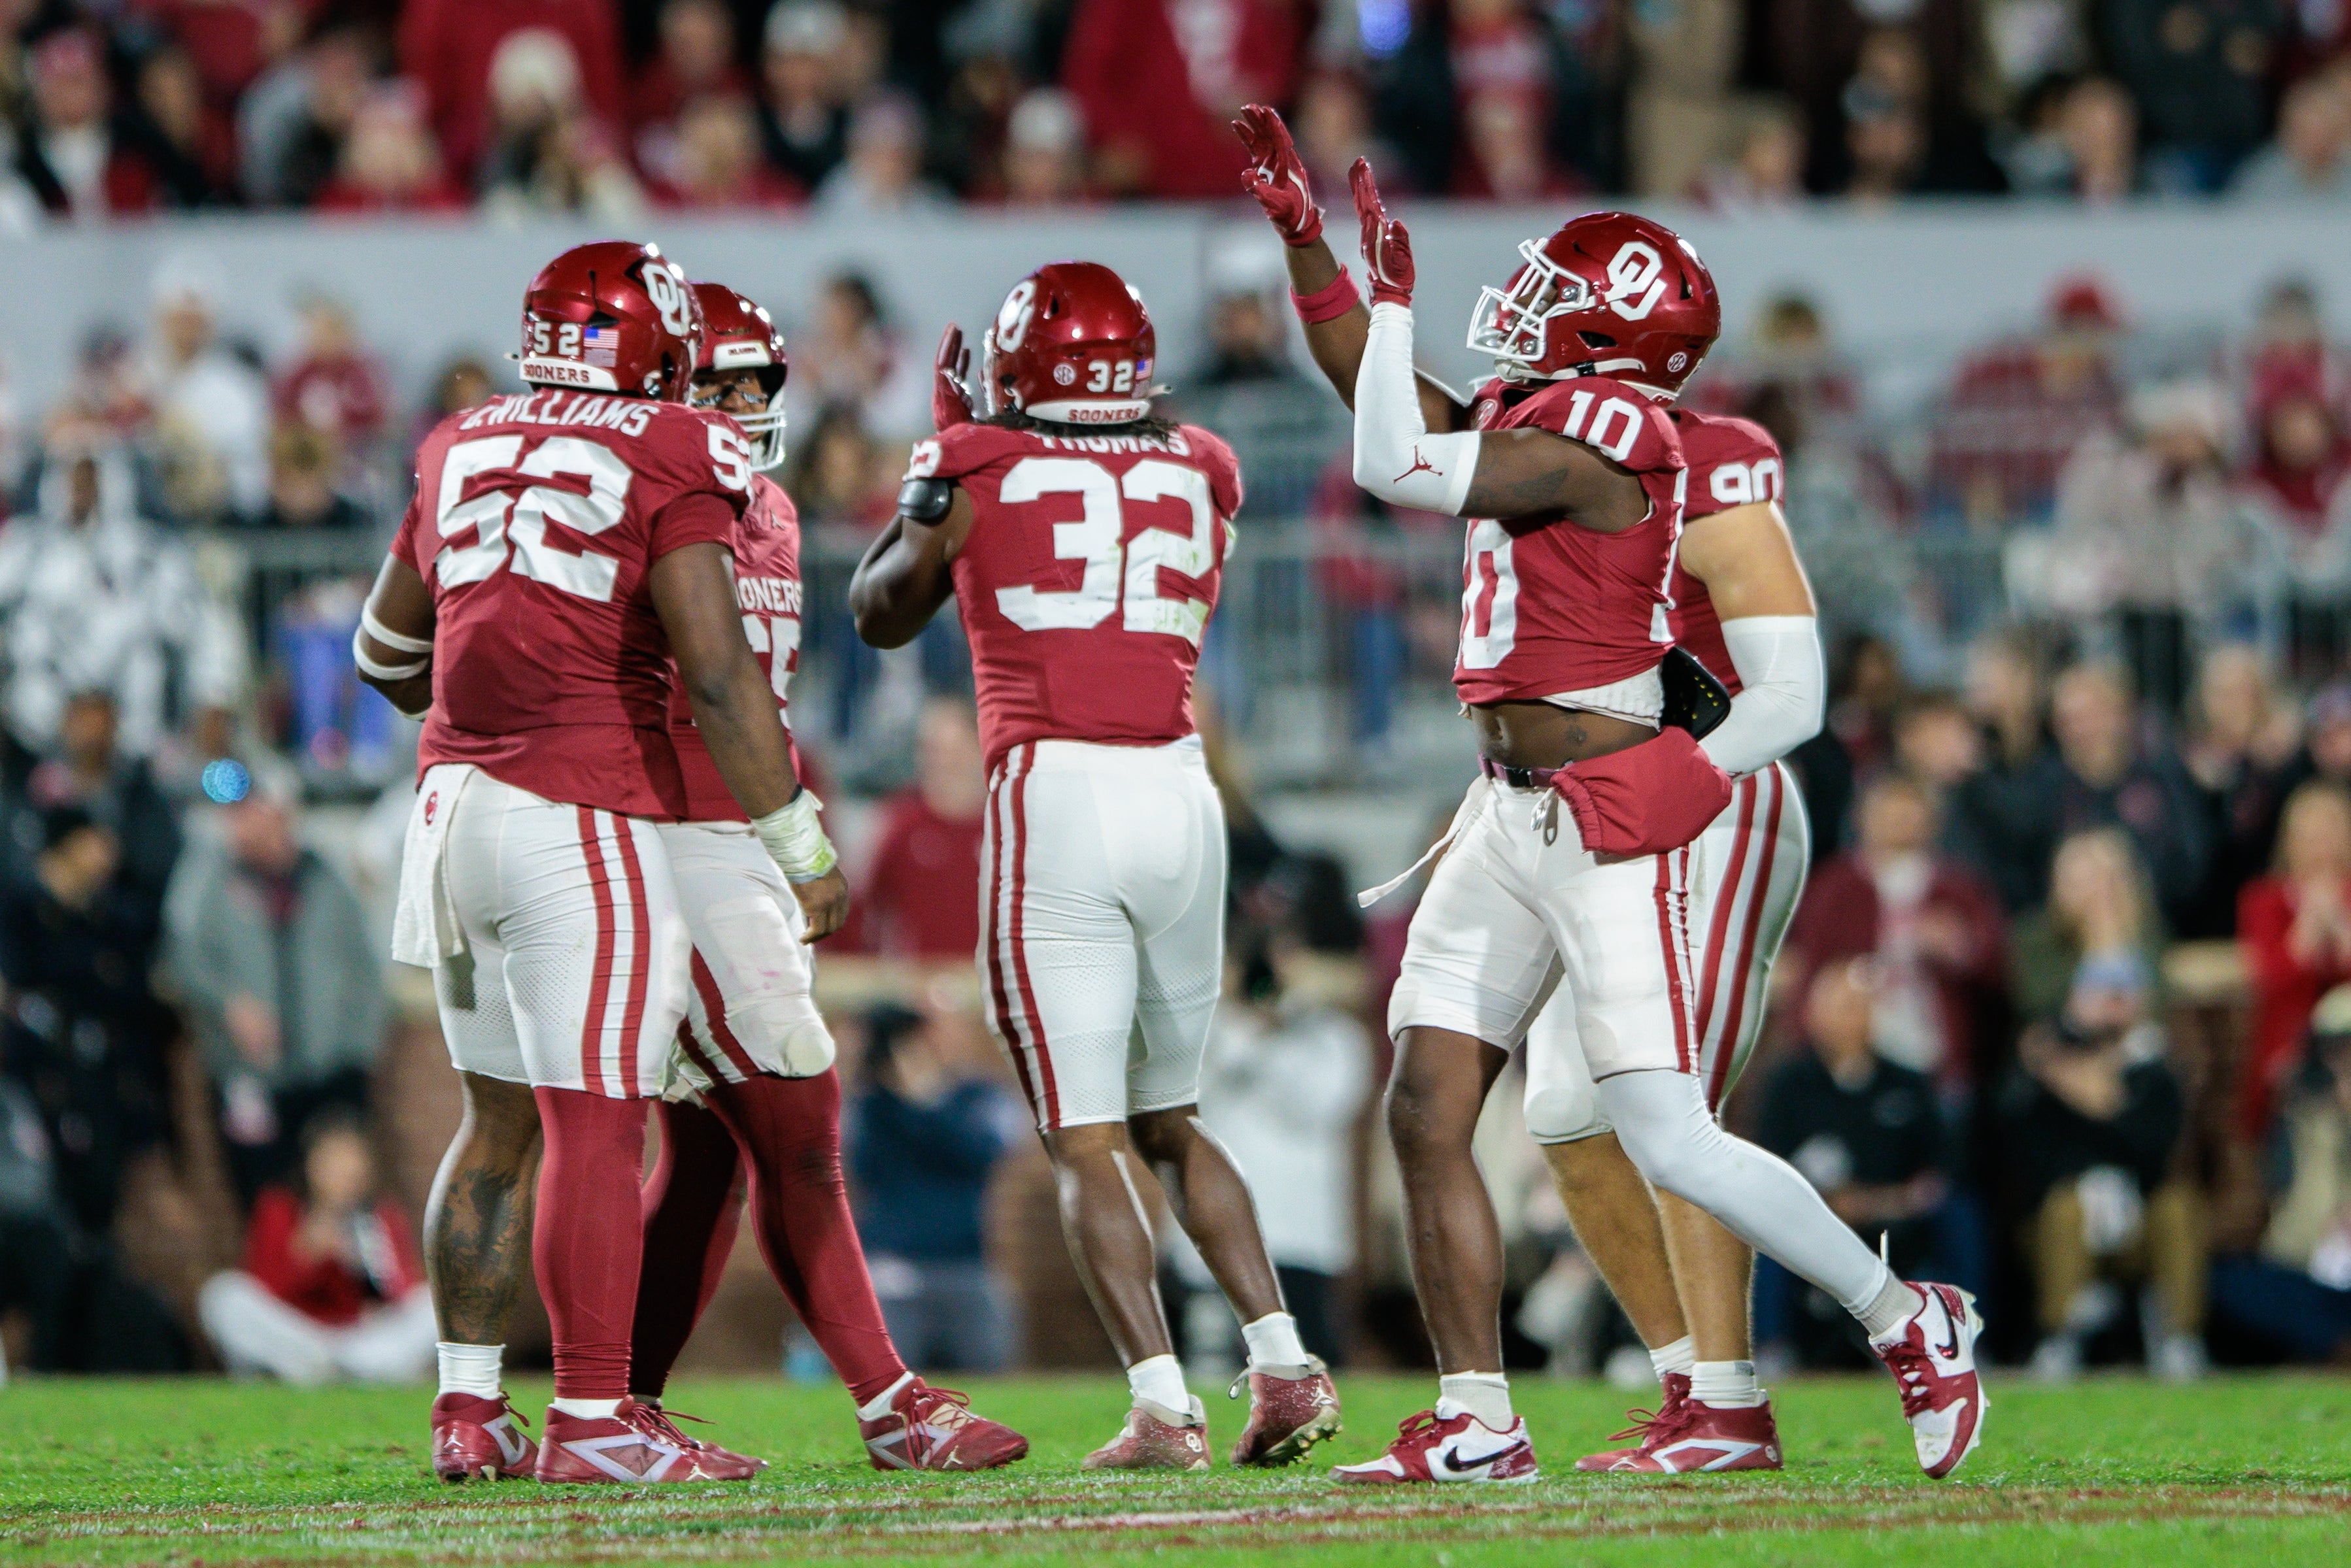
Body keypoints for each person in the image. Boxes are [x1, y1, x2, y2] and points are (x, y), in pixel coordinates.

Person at [1233, 103, 1984, 1484]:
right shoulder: (1546, 413)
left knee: (1665, 1129)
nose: (1524, 302)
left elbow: (1392, 462)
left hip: (1597, 806)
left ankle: (1905, 1311)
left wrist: (1394, 307)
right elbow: (1387, 410)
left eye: (1560, 293)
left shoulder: (1614, 428)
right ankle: (1479, 1411)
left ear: (1612, 336)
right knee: (1426, 1094)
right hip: (1506, 801)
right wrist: (1312, 258)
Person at [354, 241, 846, 1485]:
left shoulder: (457, 435)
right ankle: (590, 1415)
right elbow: (722, 674)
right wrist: (796, 839)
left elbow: (380, 650)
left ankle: (470, 1408)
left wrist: (493, 689)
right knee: (598, 1119)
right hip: (577, 810)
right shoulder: (667, 446)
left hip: (452, 805)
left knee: (497, 1119)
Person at [849, 261, 1343, 1472]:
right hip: (1181, 789)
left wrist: (938, 465)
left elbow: (879, 610)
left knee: (1086, 1132)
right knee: (1172, 1115)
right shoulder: (1205, 460)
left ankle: (1165, 1401)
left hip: (1058, 787)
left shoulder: (976, 464)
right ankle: (1282, 1359)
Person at [626, 282, 1024, 1472]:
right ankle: (887, 1396)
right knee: (793, 1109)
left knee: (704, 1152)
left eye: (758, 387)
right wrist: (793, 837)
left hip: (732, 838)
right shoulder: (642, 498)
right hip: (666, 837)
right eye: (717, 386)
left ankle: (613, 1405)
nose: (744, 409)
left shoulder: (777, 512)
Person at [1518, 286, 1825, 1472]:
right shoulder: (1527, 449)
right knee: (1561, 1109)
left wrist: (1679, 773)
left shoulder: (1717, 461)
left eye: (1555, 307)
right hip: (1589, 801)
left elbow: (1777, 685)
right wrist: (1344, 298)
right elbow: (1402, 448)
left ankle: (1740, 1394)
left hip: (1707, 789)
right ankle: (1688, 1384)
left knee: (1669, 1109)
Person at [163, 769, 388, 1208]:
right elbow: (181, 956)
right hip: (251, 1074)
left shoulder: (324, 879)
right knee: (265, 1202)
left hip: (329, 1071)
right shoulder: (209, 879)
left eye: (253, 811)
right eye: (235, 814)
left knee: (340, 1198)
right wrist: (228, 1003)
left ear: (282, 813)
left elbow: (365, 971)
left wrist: (357, 1053)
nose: (242, 824)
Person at [1994, 947, 2203, 1382]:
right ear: (2077, 999)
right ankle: (2058, 1336)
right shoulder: (2039, 1062)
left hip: (2138, 1219)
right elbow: (2022, 1145)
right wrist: (2080, 1084)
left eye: (2123, 995)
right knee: (2068, 1205)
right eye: (2103, 995)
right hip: (2063, 1224)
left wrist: (2091, 1094)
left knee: (2178, 1206)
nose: (2113, 1007)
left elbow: (2154, 1150)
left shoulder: (2154, 1071)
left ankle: (2181, 1338)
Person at [1755, 959, 1950, 1371]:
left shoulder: (1908, 1083)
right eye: (1841, 1005)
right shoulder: (1788, 1085)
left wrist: (1885, 1202)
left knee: (1959, 1219)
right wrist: (1827, 1203)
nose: (1852, 1016)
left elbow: (1939, 1168)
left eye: (1860, 1005)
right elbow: (1764, 1166)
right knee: (1760, 1237)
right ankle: (1774, 1346)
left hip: (1893, 1221)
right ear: (1814, 1014)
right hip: (1807, 1223)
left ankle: (1948, 1339)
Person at [846, 999, 1024, 1373]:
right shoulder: (872, 1103)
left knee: (988, 1385)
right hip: (890, 1266)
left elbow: (984, 1151)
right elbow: (851, 1157)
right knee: (885, 1388)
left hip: (967, 1266)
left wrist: (925, 1096)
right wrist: (856, 1068)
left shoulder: (982, 1096)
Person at [196, 1113, 437, 1384]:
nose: (345, 1171)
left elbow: (402, 1295)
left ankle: (351, 1372)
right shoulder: (280, 1209)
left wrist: (369, 1267)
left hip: (361, 1343)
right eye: (334, 1160)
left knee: (433, 1302)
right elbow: (264, 1288)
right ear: (312, 1166)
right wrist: (309, 1255)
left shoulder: (381, 1218)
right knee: (223, 1293)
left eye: (352, 1159)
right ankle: (317, 1368)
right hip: (300, 1334)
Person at [2210, 984, 2351, 1363]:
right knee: (2227, 1283)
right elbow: (2286, 1209)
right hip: (2309, 1274)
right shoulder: (2300, 1118)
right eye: (2338, 1053)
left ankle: (2331, 1347)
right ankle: (2337, 1345)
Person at [2240, 782, 2351, 1141]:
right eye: (2308, 834)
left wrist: (2339, 928)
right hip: (2291, 1060)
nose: (2319, 845)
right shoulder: (2263, 900)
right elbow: (2274, 983)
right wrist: (2306, 932)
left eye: (2329, 831)